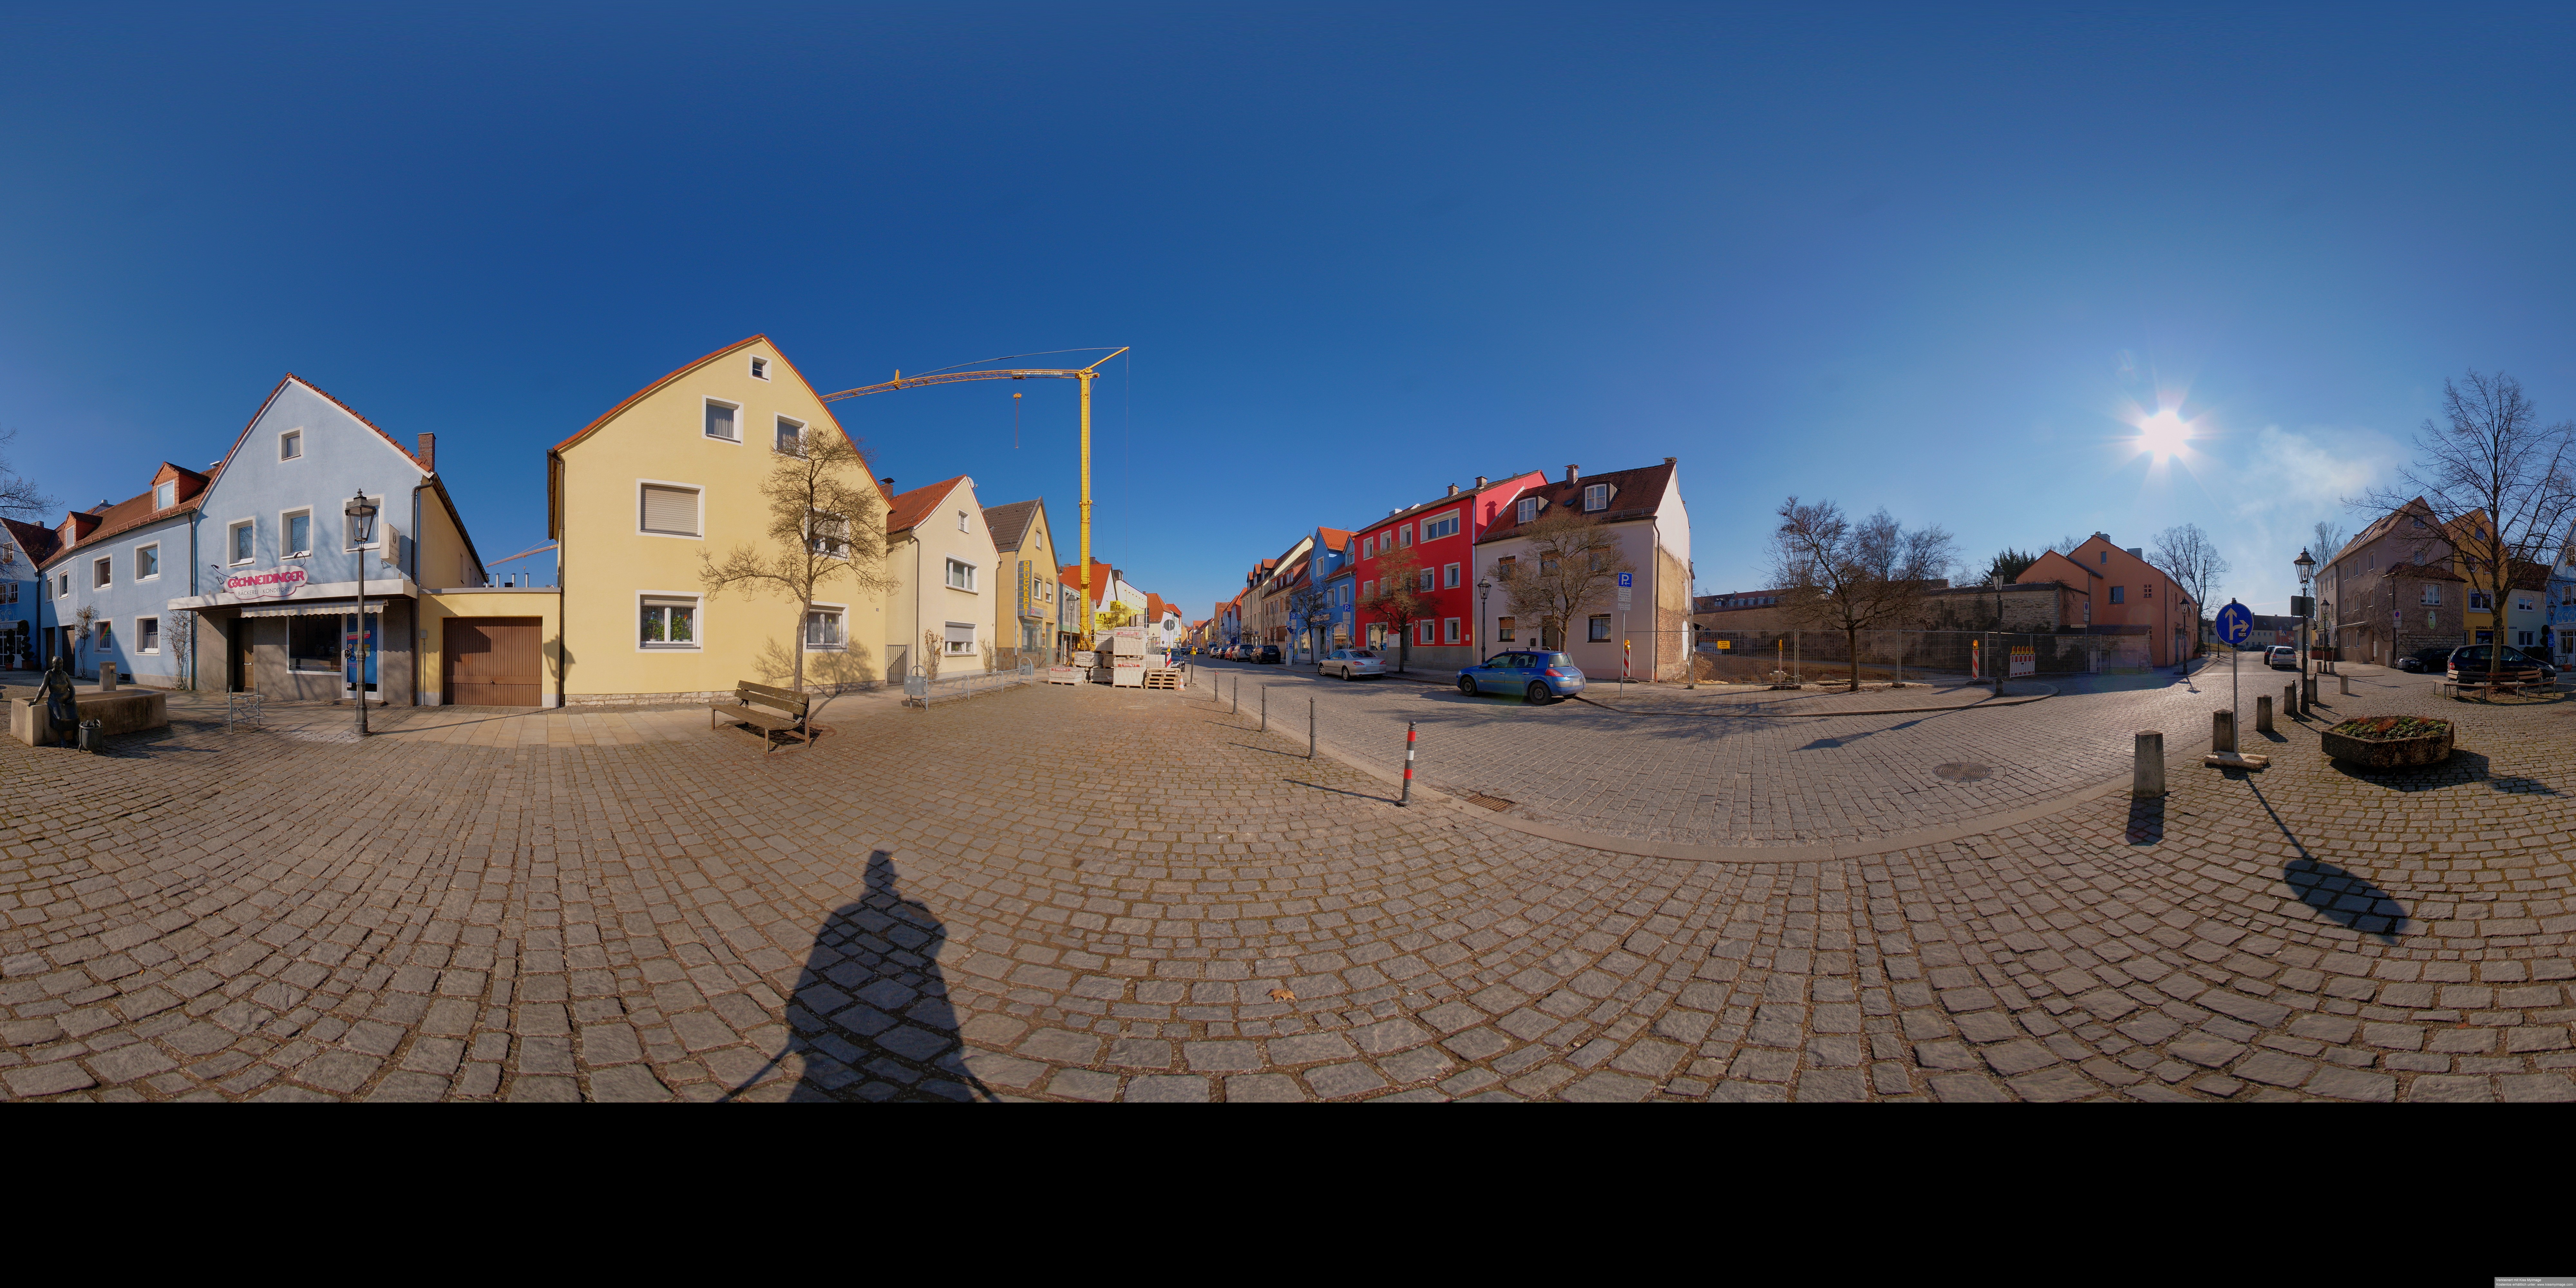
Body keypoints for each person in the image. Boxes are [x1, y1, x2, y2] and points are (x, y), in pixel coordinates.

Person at [37, 651, 78, 746]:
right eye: (58, 664)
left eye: (61, 664)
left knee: (76, 717)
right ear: (53, 664)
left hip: (68, 699)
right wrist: (35, 701)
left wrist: (72, 698)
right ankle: (62, 739)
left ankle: (75, 738)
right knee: (60, 718)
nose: (60, 666)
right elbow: (43, 688)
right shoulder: (49, 674)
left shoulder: (65, 675)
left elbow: (72, 688)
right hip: (55, 700)